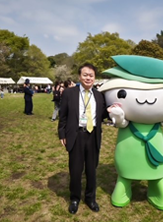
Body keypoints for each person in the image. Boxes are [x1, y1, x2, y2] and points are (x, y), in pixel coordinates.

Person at [58, 63, 108, 214]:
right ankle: (74, 198)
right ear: (79, 76)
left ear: (94, 78)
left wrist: (110, 111)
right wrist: (62, 133)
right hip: (76, 135)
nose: (88, 78)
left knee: (92, 170)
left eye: (91, 75)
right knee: (75, 170)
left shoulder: (99, 95)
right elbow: (63, 115)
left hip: (93, 136)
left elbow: (102, 115)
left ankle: (90, 198)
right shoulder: (69, 93)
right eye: (85, 75)